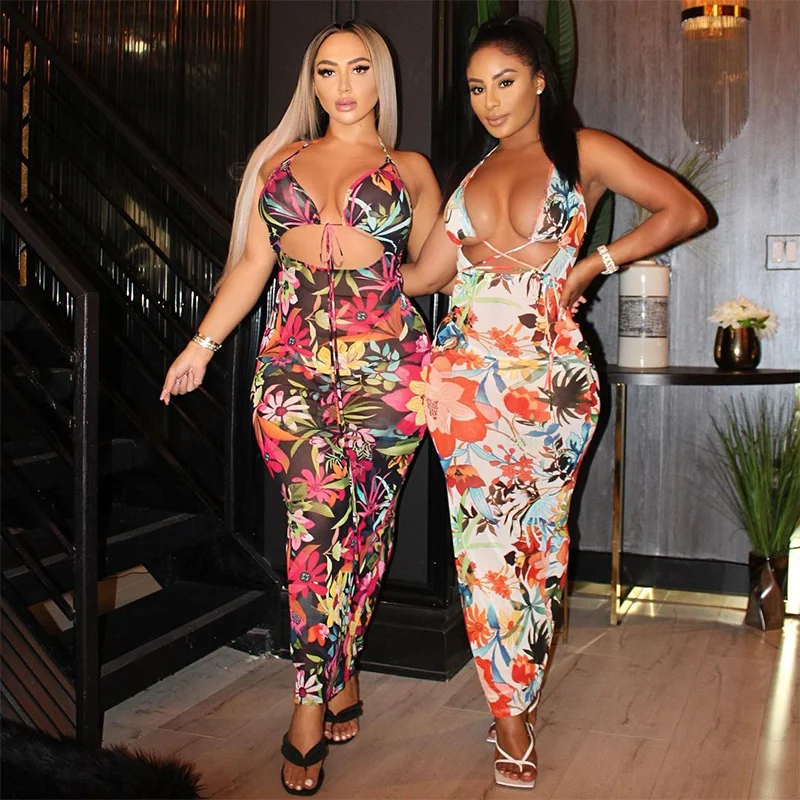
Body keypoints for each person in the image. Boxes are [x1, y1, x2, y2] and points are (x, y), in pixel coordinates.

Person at [401, 16, 707, 791]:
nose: (490, 101)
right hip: (463, 388)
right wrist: (355, 248)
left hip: (551, 388)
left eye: (504, 82)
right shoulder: (469, 178)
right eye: (476, 88)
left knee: (538, 544)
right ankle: (509, 714)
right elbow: (423, 277)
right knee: (481, 549)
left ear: (540, 79)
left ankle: (520, 685)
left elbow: (684, 211)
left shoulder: (583, 151)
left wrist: (596, 263)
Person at [160, 20, 440, 796]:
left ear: (381, 78)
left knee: (365, 538)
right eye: (326, 70)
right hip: (291, 370)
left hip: (391, 373)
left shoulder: (411, 170)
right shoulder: (278, 162)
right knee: (314, 527)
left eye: (358, 69)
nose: (342, 86)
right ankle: (309, 702)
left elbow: (436, 271)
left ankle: (340, 668)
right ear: (310, 82)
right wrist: (203, 345)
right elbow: (253, 264)